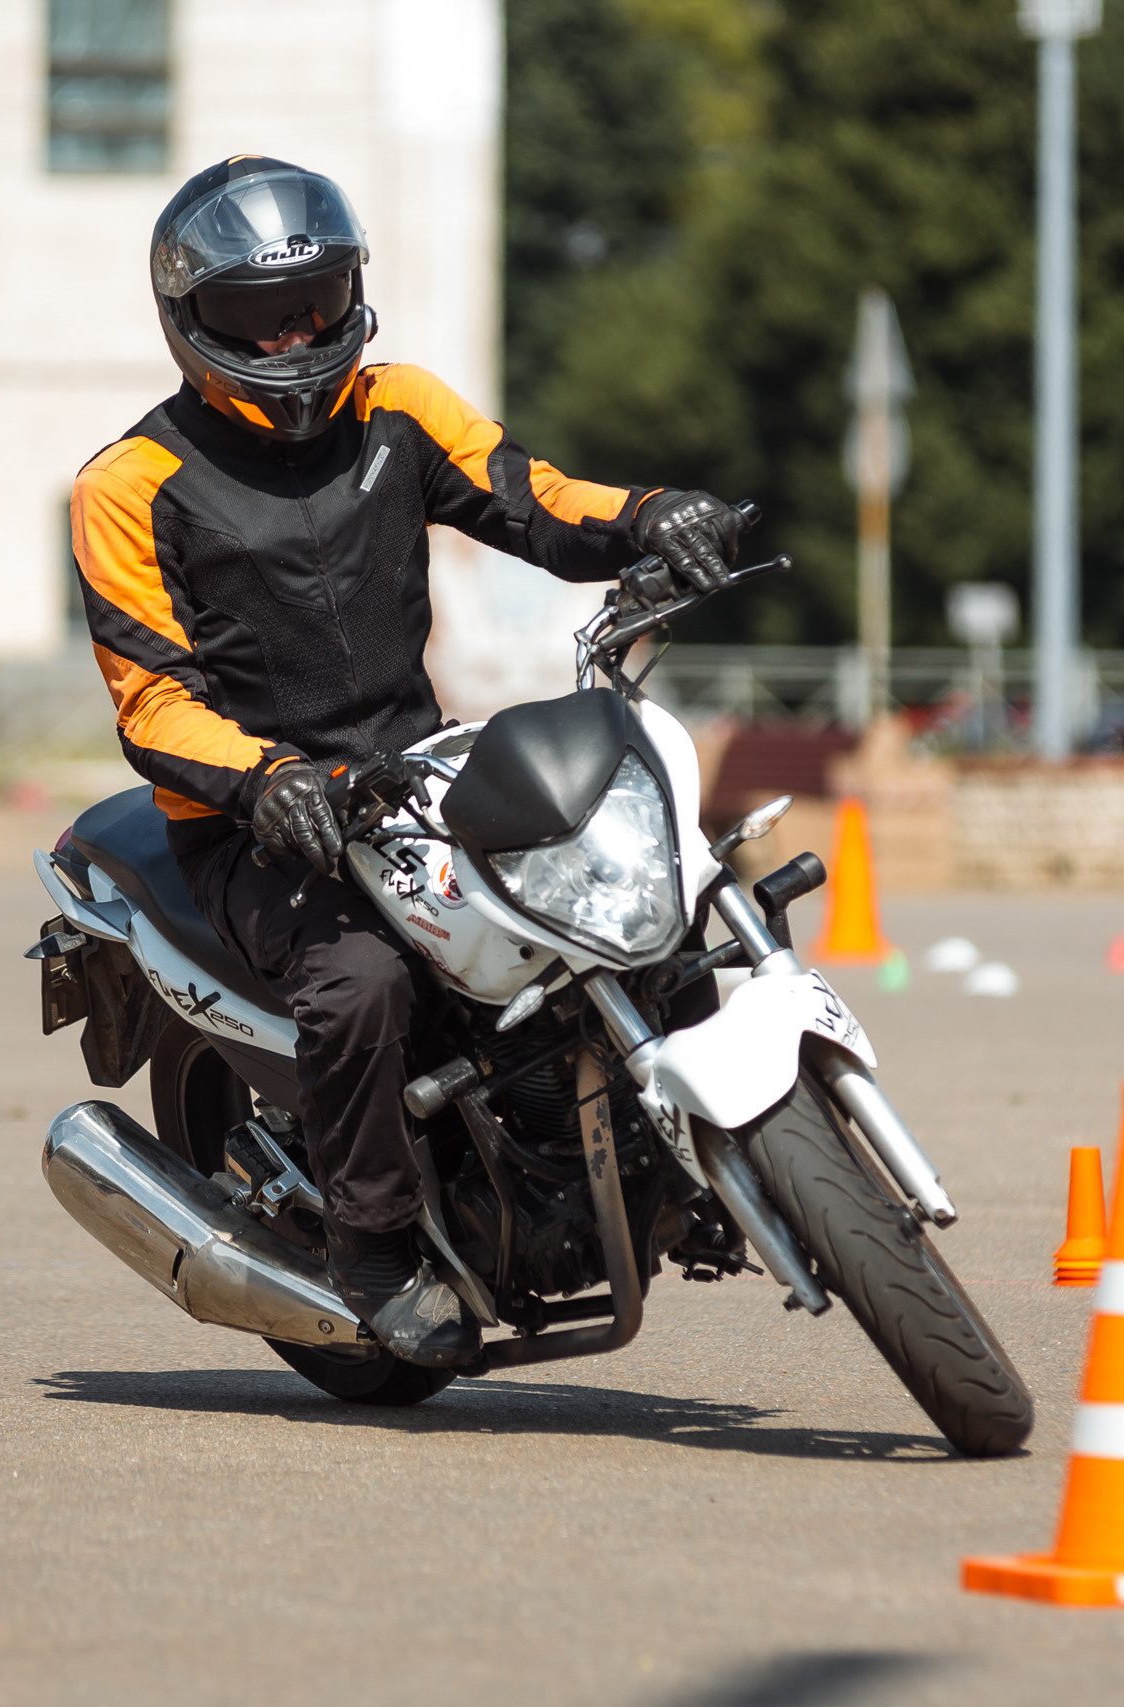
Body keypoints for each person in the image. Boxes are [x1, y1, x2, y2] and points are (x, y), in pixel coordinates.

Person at [71, 156, 741, 1367]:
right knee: (361, 981)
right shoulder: (129, 485)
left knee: (618, 886)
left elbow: (529, 498)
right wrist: (266, 781)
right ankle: (373, 1252)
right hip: (252, 818)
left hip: (413, 767)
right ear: (189, 324)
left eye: (317, 300)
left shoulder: (398, 407)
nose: (293, 333)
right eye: (253, 315)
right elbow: (153, 699)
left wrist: (649, 516)